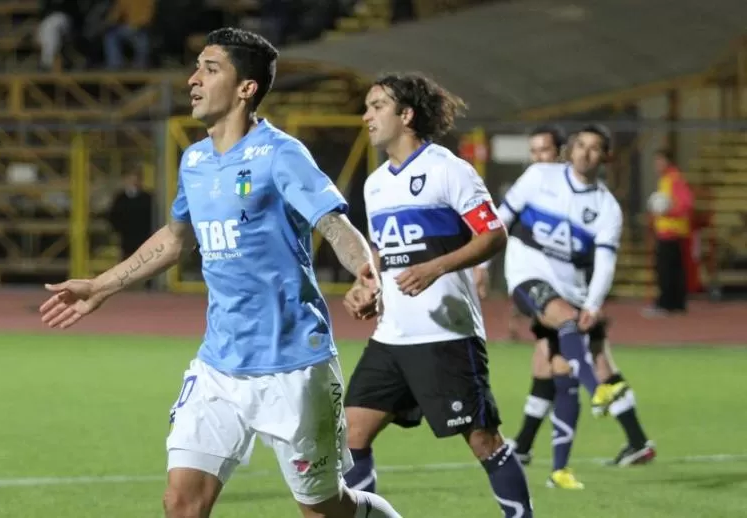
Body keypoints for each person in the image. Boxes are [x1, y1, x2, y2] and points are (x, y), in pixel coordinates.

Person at [39, 28, 403, 518]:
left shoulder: (281, 153)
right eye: (196, 68)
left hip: (292, 364)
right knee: (181, 503)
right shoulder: (195, 160)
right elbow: (175, 238)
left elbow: (333, 224)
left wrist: (366, 273)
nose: (193, 80)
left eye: (210, 69)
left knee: (324, 509)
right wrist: (100, 286)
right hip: (219, 365)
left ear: (245, 88)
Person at [338, 72, 533, 517]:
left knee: (483, 440)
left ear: (406, 115)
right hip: (391, 337)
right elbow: (384, 254)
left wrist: (435, 267)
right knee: (352, 434)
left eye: (377, 106)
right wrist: (366, 287)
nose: (366, 115)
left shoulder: (448, 169)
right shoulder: (375, 184)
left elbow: (493, 234)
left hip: (445, 335)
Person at [475, 126, 656, 470]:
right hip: (533, 282)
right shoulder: (538, 178)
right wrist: (481, 263)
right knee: (563, 349)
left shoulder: (606, 208)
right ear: (571, 150)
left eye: (595, 148)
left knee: (567, 360)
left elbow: (605, 263)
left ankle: (631, 438)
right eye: (582, 146)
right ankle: (597, 412)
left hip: (573, 293)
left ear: (605, 157)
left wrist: (592, 303)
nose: (586, 153)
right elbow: (501, 219)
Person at [644, 148, 694, 317]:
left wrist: (668, 210)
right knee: (674, 270)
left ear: (667, 161)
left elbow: (686, 204)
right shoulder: (666, 180)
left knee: (666, 270)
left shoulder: (674, 179)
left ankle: (666, 304)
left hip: (672, 232)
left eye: (659, 161)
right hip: (667, 231)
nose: (656, 165)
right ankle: (677, 304)